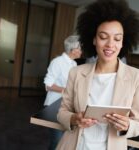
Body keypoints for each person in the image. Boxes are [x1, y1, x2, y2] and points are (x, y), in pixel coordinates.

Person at [56, 0, 139, 150]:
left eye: (117, 38)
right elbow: (62, 112)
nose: (110, 44)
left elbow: (138, 123)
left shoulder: (135, 77)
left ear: (122, 43)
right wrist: (74, 118)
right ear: (94, 39)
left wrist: (128, 125)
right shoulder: (76, 72)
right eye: (103, 36)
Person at [44, 35, 82, 150]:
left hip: (65, 107)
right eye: (80, 48)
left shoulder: (74, 64)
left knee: (63, 142)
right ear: (73, 50)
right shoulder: (57, 62)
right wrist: (67, 91)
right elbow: (48, 85)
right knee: (57, 141)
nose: (81, 51)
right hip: (53, 106)